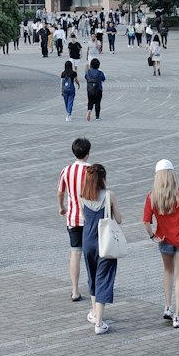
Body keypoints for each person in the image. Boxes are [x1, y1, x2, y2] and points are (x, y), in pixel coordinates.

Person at [143, 158, 179, 329]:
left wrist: (153, 236)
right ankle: (178, 315)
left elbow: (146, 221)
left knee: (168, 271)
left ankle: (167, 306)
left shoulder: (152, 196)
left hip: (164, 239)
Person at [80, 163, 122, 335]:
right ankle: (99, 322)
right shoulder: (109, 195)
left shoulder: (82, 196)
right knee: (103, 279)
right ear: (103, 178)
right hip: (105, 243)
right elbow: (118, 219)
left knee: (92, 276)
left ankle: (94, 312)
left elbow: (84, 218)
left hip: (88, 242)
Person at [57, 136, 92, 302]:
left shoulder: (66, 170)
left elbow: (60, 192)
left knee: (75, 253)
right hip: (90, 219)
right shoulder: (92, 170)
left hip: (72, 217)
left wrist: (61, 207)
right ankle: (94, 286)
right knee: (92, 254)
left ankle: (75, 290)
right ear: (88, 153)